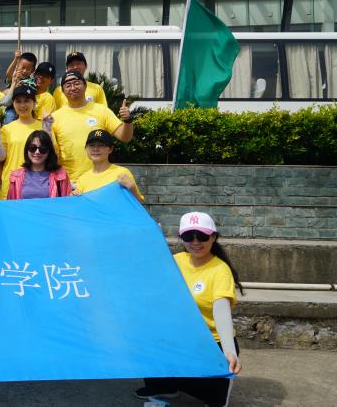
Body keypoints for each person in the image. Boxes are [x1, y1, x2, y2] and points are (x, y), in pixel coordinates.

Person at [136, 211, 243, 407]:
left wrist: (229, 351)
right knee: (147, 340)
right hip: (182, 338)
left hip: (211, 343)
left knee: (214, 400)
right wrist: (152, 241)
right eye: (188, 236)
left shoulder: (219, 270)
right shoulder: (177, 260)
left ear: (213, 237)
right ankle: (165, 386)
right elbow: (149, 270)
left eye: (202, 236)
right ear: (181, 237)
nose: (195, 242)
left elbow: (221, 312)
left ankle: (206, 385)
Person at [51, 70, 133, 180]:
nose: (73, 88)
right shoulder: (55, 117)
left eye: (76, 83)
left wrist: (128, 120)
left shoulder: (102, 111)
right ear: (62, 91)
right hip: (69, 181)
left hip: (99, 179)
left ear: (85, 86)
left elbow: (125, 137)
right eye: (68, 85)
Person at [0, 85, 53, 199]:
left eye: (26, 101)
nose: (22, 105)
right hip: (12, 184)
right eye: (18, 101)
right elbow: (0, 157)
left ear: (34, 103)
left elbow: (52, 154)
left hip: (39, 186)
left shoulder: (43, 125)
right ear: (13, 104)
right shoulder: (6, 129)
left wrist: (48, 131)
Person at [73, 129, 144, 202]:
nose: (95, 149)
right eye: (91, 145)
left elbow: (138, 204)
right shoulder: (82, 179)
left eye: (101, 145)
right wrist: (74, 199)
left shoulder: (122, 173)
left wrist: (132, 188)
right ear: (86, 148)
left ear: (110, 149)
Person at [6, 131, 71, 199]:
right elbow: (10, 203)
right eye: (32, 148)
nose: (37, 152)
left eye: (42, 149)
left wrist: (74, 196)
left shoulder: (61, 175)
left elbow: (67, 202)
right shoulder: (16, 176)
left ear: (49, 151)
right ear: (27, 150)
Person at [0, 52, 37, 124]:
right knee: (9, 117)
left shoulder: (32, 82)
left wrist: (14, 88)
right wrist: (15, 59)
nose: (24, 71)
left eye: (28, 69)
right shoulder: (15, 77)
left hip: (25, 109)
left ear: (32, 71)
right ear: (17, 66)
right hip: (12, 108)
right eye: (22, 67)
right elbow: (8, 74)